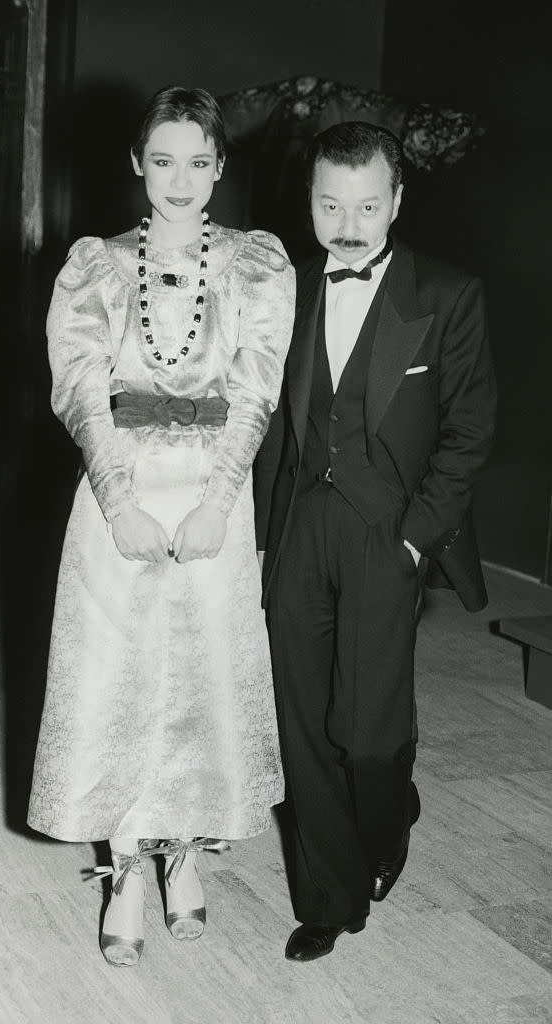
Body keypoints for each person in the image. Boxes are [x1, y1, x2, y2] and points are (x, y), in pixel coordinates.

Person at [28, 86, 295, 967]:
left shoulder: (256, 265)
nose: (179, 179)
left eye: (198, 161)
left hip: (213, 492)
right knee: (120, 676)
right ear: (137, 163)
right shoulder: (96, 266)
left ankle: (185, 852)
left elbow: (257, 389)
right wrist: (119, 501)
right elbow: (78, 388)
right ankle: (127, 865)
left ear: (220, 169)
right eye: (163, 159)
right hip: (122, 494)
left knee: (199, 676)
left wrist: (221, 502)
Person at [254, 121, 496, 962]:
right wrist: (257, 537)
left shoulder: (447, 294)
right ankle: (328, 893)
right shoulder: (283, 287)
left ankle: (389, 813)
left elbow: (468, 433)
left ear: (396, 199)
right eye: (329, 204)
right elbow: (271, 427)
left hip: (388, 530)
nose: (347, 224)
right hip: (298, 526)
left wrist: (413, 541)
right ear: (311, 202)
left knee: (367, 731)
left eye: (365, 204)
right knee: (301, 723)